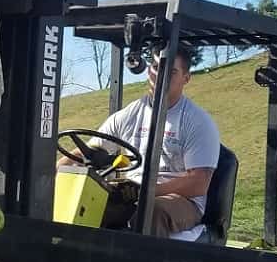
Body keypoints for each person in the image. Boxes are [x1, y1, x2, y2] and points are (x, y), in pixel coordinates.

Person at [88, 44, 220, 238]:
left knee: (150, 212)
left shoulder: (197, 121)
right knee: (89, 204)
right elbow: (90, 150)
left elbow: (198, 183)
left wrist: (147, 192)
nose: (160, 76)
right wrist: (50, 173)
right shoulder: (130, 114)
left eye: (171, 71)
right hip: (130, 193)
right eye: (157, 68)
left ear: (186, 78)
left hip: (180, 200)